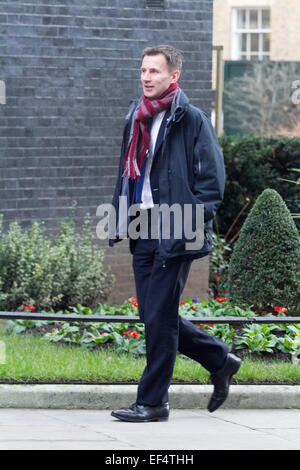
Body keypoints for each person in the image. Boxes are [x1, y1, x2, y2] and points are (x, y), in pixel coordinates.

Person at [108, 45, 241, 422]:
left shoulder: (191, 119)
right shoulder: (135, 116)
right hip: (142, 222)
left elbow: (212, 181)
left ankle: (153, 402)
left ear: (174, 77)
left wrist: (190, 224)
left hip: (176, 225)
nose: (146, 77)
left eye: (154, 71)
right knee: (152, 314)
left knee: (159, 317)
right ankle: (219, 358)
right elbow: (127, 174)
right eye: (143, 70)